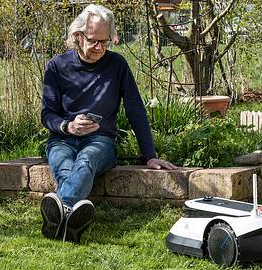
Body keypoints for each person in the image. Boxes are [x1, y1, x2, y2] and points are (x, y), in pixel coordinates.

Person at [40, 4, 178, 243]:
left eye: (105, 42)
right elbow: (47, 114)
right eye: (94, 41)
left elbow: (136, 110)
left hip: (100, 141)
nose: (100, 48)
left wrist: (149, 155)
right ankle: (69, 225)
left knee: (85, 163)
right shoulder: (57, 66)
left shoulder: (117, 65)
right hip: (62, 139)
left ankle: (57, 216)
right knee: (64, 169)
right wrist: (68, 126)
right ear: (77, 36)